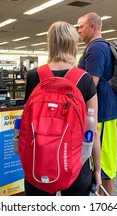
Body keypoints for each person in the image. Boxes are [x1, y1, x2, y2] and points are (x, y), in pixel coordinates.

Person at [23, 21, 101, 196]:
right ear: (73, 43)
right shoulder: (85, 79)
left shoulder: (34, 76)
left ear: (50, 44)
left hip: (39, 160)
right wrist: (97, 170)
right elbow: (93, 129)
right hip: (76, 163)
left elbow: (28, 121)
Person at [77, 12, 117, 196]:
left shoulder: (96, 48)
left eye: (81, 26)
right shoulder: (95, 47)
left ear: (92, 27)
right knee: (103, 161)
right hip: (103, 110)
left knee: (104, 163)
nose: (79, 30)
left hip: (103, 111)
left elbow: (91, 85)